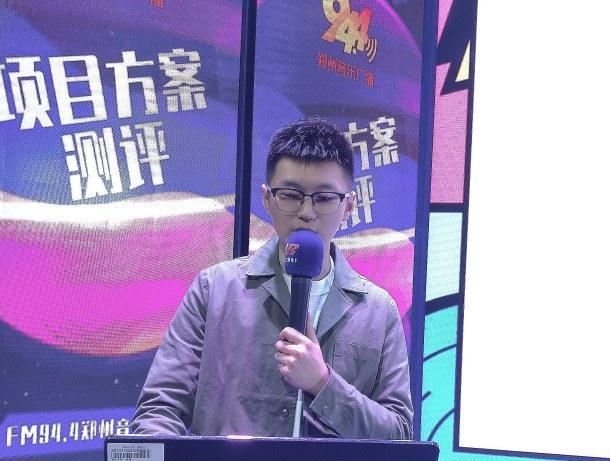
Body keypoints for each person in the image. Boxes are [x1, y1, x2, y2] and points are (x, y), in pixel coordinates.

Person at [131, 117, 412, 439]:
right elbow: (160, 409)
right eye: (291, 195)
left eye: (324, 198)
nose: (307, 212)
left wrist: (323, 383)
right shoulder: (215, 290)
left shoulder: (377, 311)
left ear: (348, 205)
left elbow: (398, 434)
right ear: (267, 199)